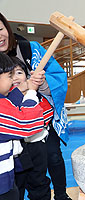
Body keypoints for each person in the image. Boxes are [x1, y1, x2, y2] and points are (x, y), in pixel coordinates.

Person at [0, 13, 71, 200]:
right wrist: (26, 88)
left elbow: (58, 77)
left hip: (41, 125)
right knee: (16, 181)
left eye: (0, 29)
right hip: (10, 135)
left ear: (7, 28)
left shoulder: (30, 49)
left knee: (51, 161)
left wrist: (43, 85)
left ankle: (62, 195)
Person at [0, 52, 44, 200]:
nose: (13, 80)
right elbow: (27, 123)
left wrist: (28, 85)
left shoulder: (3, 101)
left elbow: (10, 103)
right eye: (9, 76)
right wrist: (31, 92)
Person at [11, 57, 53, 200]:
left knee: (39, 183)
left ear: (26, 74)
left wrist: (33, 87)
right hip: (16, 151)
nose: (15, 78)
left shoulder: (36, 95)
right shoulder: (5, 100)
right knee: (17, 186)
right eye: (9, 74)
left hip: (36, 146)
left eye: (19, 72)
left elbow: (44, 118)